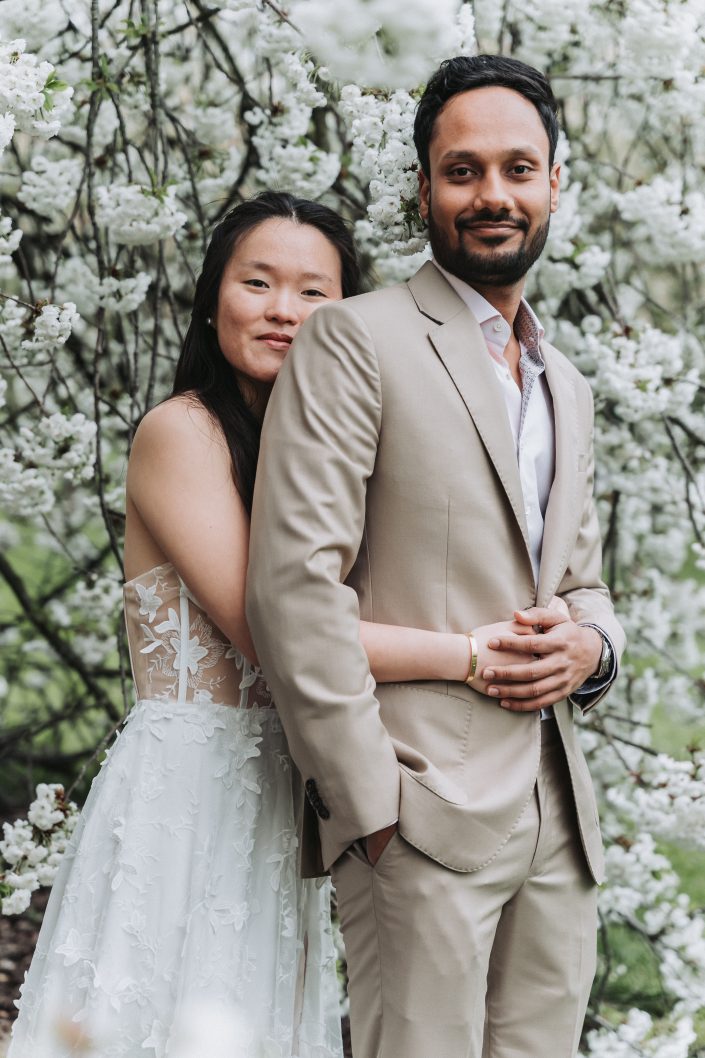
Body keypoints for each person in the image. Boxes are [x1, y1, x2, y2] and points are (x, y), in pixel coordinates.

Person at [7, 190, 540, 1058]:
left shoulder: (330, 453)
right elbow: (282, 636)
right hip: (195, 789)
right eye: (257, 283)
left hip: (288, 800)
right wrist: (474, 655)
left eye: (313, 293)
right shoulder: (181, 434)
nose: (282, 311)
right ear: (213, 295)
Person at [246, 57, 626, 1058]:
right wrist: (373, 813)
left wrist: (593, 645)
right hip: (416, 817)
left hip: (559, 818)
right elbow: (293, 592)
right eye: (462, 171)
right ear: (422, 187)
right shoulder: (352, 340)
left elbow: (583, 581)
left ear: (555, 183)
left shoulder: (569, 386)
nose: (492, 194)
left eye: (517, 168)